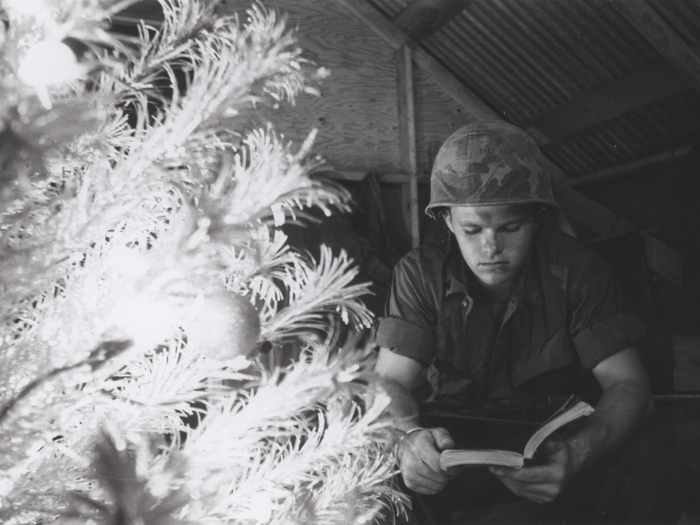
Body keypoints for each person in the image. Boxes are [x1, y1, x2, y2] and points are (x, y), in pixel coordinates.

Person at [373, 121, 670, 524]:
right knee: (373, 469)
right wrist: (408, 440)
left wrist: (579, 454)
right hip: (450, 445)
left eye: (510, 227)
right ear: (446, 221)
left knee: (650, 465)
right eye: (472, 229)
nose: (490, 247)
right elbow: (389, 381)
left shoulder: (579, 270)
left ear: (536, 219)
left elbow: (630, 387)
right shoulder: (419, 274)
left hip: (550, 443)